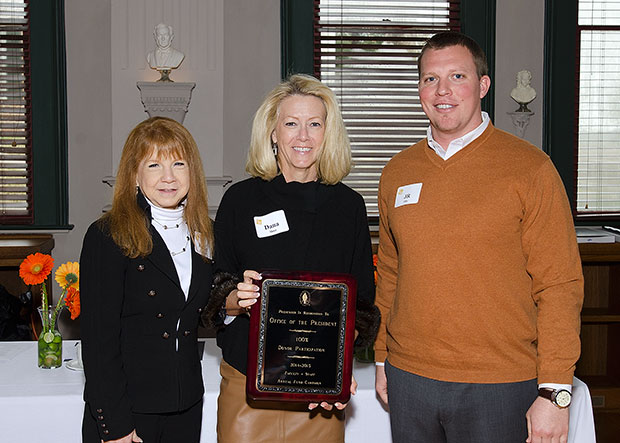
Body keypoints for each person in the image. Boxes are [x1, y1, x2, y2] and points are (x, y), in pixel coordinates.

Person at [374, 32, 583, 443]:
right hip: (409, 377)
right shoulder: (397, 171)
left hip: (500, 383)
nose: (442, 91)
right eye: (430, 79)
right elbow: (392, 276)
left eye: (457, 76)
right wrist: (382, 358)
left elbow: (560, 285)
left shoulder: (531, 169)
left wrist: (556, 390)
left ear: (483, 85)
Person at [204, 74, 379, 443]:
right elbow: (213, 290)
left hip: (319, 395)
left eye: (315, 124)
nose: (303, 136)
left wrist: (340, 363)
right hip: (247, 387)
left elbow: (361, 302)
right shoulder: (240, 201)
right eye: (291, 123)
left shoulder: (349, 207)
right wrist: (238, 298)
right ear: (272, 132)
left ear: (328, 133)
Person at [80, 116, 214, 443]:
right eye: (154, 165)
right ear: (135, 175)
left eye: (178, 163)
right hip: (128, 411)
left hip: (186, 404)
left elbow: (207, 309)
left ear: (191, 172)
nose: (168, 177)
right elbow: (98, 344)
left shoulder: (207, 232)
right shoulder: (108, 235)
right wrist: (115, 426)